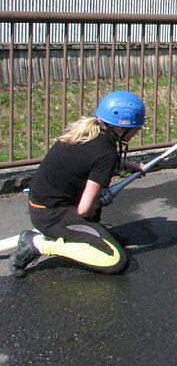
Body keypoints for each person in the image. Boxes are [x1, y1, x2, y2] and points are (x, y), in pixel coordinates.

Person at [9, 91, 147, 277]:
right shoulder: (106, 153)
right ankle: (37, 244)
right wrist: (100, 199)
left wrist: (130, 166)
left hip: (43, 205)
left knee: (95, 205)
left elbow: (90, 163)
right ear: (122, 129)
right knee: (115, 260)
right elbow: (84, 210)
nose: (137, 131)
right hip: (52, 216)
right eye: (136, 128)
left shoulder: (87, 133)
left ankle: (88, 234)